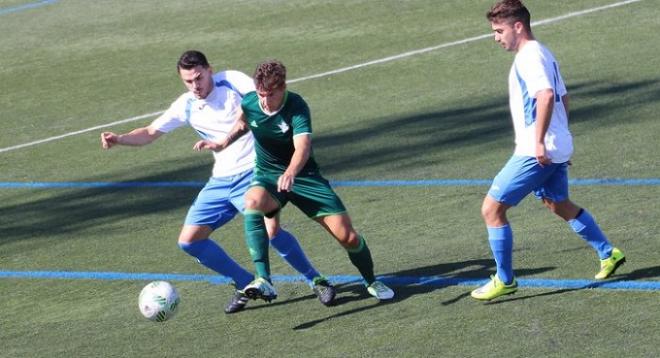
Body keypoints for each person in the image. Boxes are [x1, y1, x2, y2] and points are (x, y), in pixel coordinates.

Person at [100, 50, 336, 313]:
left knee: (272, 232)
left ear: (210, 69)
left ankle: (316, 279)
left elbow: (260, 105)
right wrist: (119, 139)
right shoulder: (186, 104)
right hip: (221, 180)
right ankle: (245, 283)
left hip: (253, 172)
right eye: (188, 81)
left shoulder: (232, 81)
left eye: (198, 78)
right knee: (189, 241)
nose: (195, 86)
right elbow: (150, 133)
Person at [194, 60, 395, 302]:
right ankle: (263, 280)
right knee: (252, 200)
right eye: (261, 94)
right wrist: (222, 143)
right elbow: (243, 123)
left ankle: (371, 280)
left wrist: (290, 172)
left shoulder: (296, 106)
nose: (265, 101)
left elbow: (303, 147)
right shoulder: (250, 102)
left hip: (305, 178)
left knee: (348, 237)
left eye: (270, 95)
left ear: (283, 88)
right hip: (268, 176)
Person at [471, 0, 626, 301]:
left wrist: (541, 141)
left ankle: (505, 279)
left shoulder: (529, 57)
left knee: (492, 209)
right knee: (558, 204)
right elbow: (563, 98)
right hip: (554, 146)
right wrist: (560, 137)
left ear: (518, 26)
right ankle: (609, 253)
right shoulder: (544, 53)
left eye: (499, 30)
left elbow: (546, 95)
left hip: (535, 150)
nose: (496, 37)